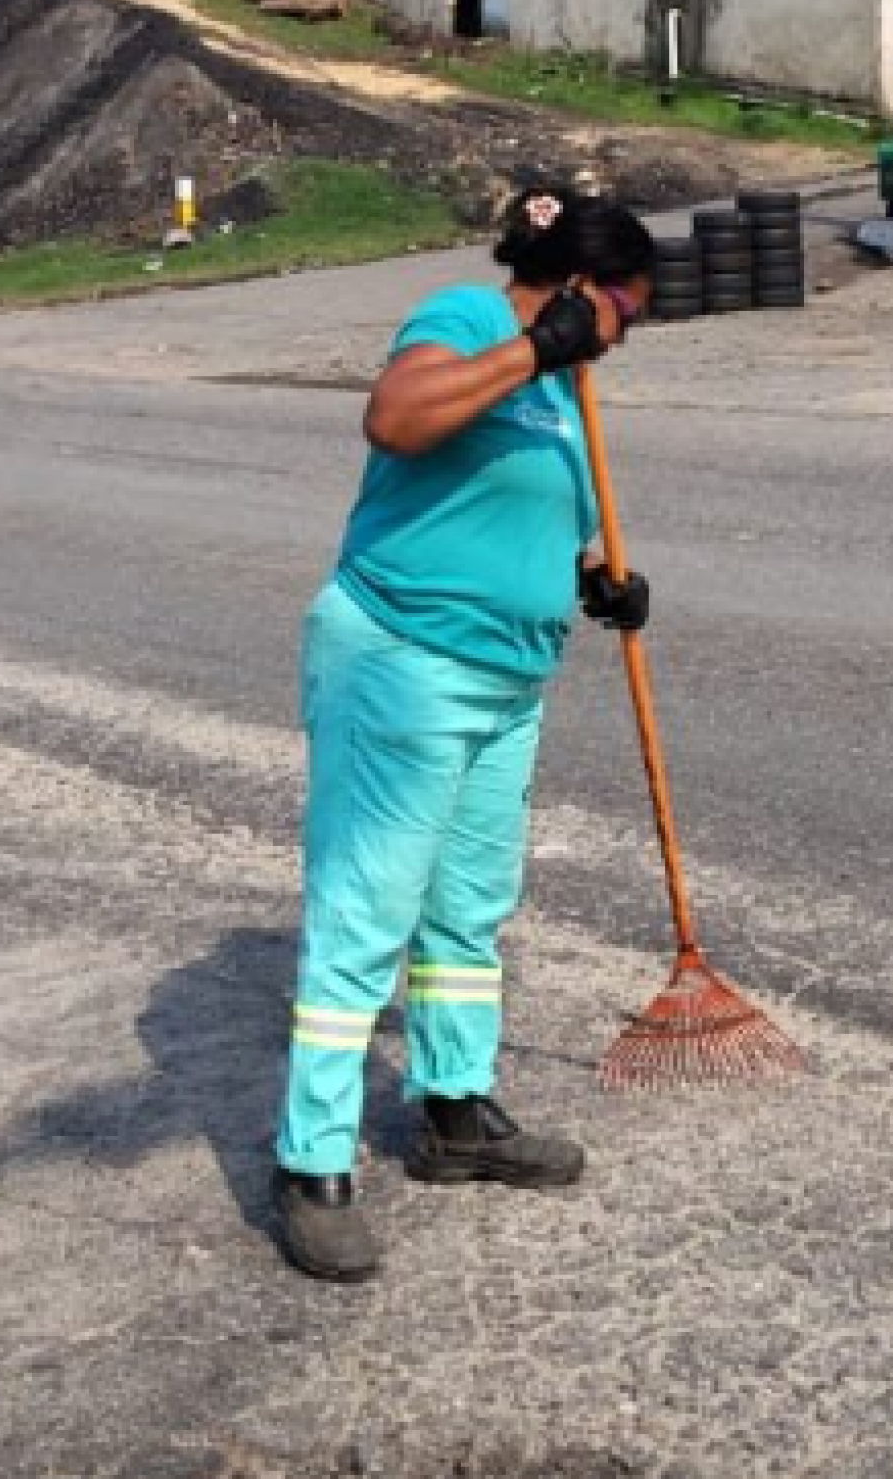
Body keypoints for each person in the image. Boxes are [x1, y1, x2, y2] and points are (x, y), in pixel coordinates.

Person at [272, 183, 658, 1283]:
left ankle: (453, 1111)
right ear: (582, 286)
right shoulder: (471, 320)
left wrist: (596, 578)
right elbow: (396, 417)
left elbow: (531, 514)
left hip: (504, 680)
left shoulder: (567, 389)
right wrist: (537, 348)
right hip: (403, 660)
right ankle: (311, 1161)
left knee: (467, 908)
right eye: (629, 308)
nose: (630, 333)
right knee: (366, 907)